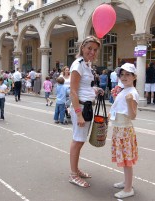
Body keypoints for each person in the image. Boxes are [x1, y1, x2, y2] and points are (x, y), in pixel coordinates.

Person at [69, 35, 103, 188]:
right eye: (89, 48)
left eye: (95, 50)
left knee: (80, 141)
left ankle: (76, 170)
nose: (92, 52)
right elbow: (73, 92)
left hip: (86, 107)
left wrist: (95, 90)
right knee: (77, 141)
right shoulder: (78, 65)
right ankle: (73, 175)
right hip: (81, 108)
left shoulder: (87, 65)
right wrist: (78, 114)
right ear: (82, 48)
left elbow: (84, 87)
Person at [109, 63, 139, 199]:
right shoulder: (124, 90)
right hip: (119, 128)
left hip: (125, 130)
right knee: (125, 159)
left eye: (128, 74)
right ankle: (127, 182)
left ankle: (128, 189)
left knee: (127, 160)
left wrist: (129, 102)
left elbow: (133, 116)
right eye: (122, 74)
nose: (124, 77)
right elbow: (118, 108)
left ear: (134, 76)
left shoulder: (132, 93)